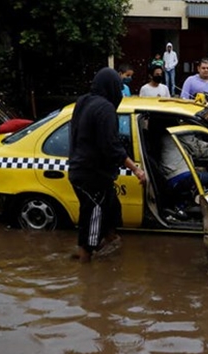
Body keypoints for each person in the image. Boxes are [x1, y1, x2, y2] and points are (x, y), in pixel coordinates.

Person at [68, 67, 146, 263]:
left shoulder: (84, 101)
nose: (120, 94)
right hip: (92, 174)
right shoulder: (106, 108)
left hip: (80, 168)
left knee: (110, 205)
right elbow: (111, 146)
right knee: (93, 214)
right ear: (112, 88)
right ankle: (86, 260)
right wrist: (135, 169)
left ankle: (110, 238)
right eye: (118, 89)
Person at [160, 132, 208, 218]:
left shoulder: (160, 134)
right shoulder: (175, 131)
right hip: (179, 176)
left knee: (204, 175)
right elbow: (196, 147)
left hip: (169, 176)